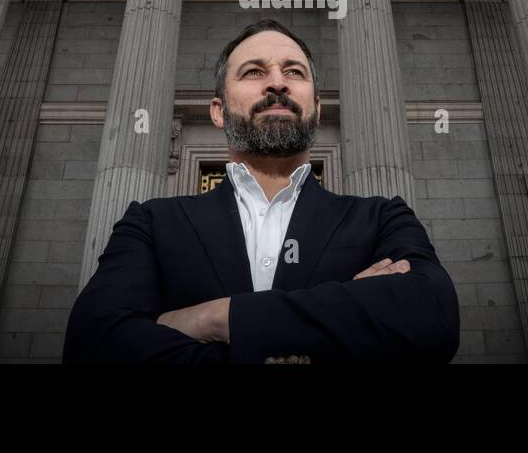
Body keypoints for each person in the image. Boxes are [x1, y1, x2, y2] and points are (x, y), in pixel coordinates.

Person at [63, 18, 460, 363]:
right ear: (218, 111)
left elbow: (433, 317)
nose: (276, 83)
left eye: (294, 72)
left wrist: (214, 319)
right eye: (254, 72)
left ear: (317, 107)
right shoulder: (151, 222)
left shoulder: (381, 218)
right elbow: (94, 345)